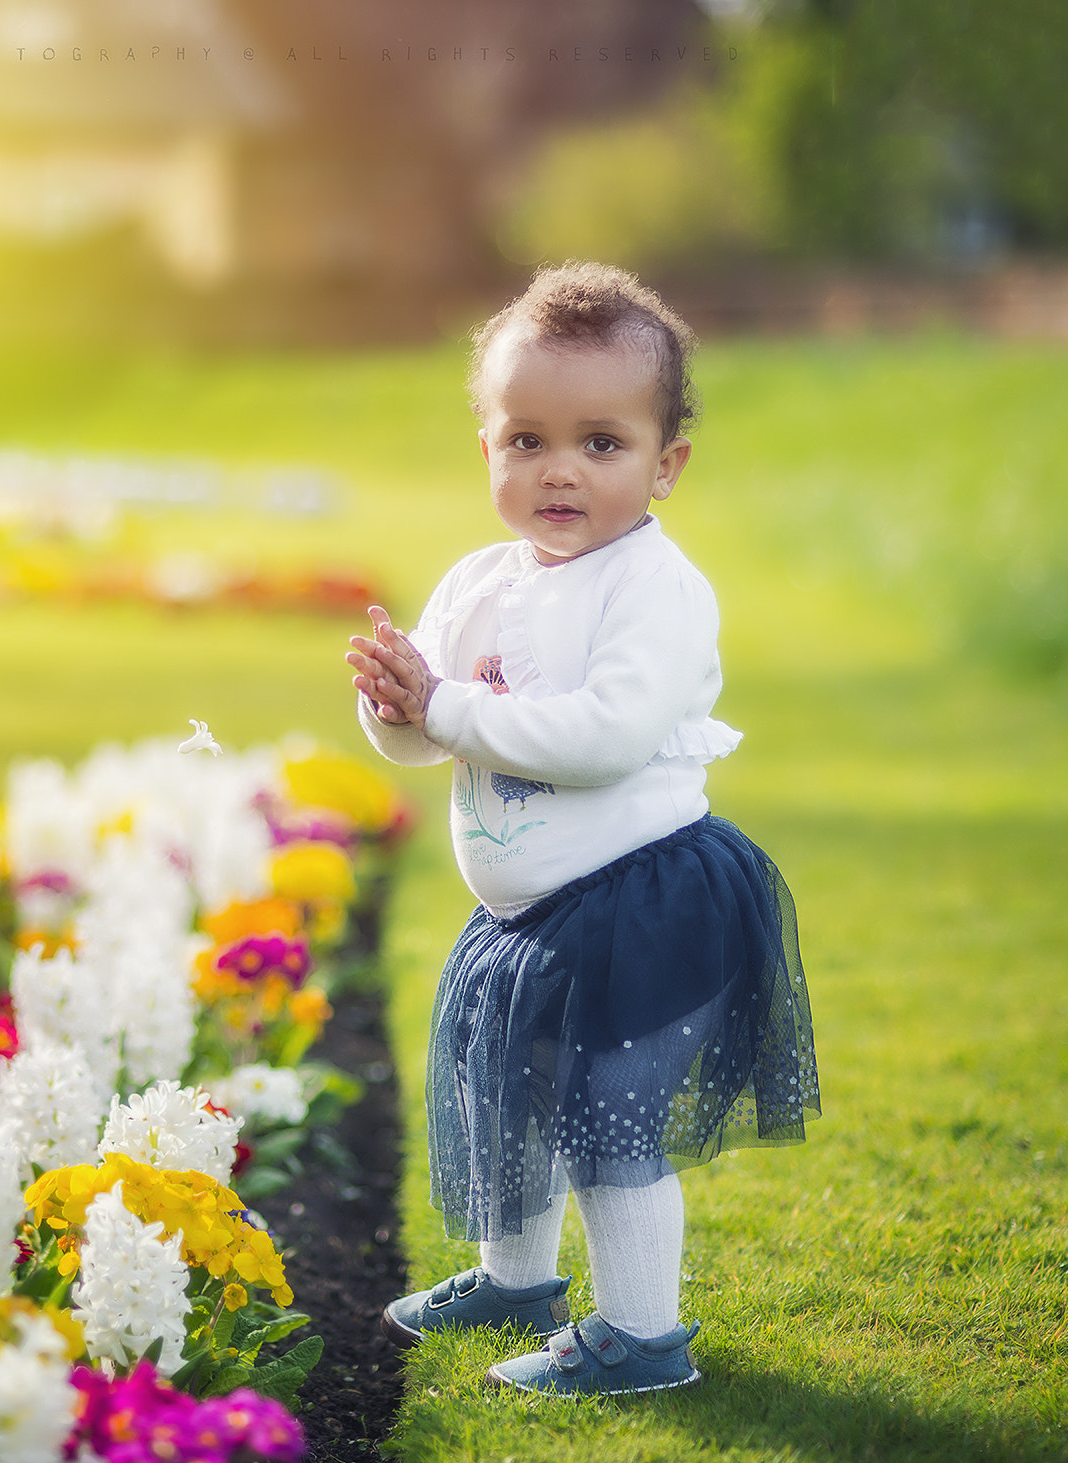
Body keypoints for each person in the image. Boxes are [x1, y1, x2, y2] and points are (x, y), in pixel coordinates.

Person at [345, 261, 818, 1397]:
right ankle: (514, 1274)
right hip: (529, 910)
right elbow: (426, 741)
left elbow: (604, 735)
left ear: (665, 463)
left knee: (605, 1125)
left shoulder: (652, 588)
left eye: (600, 443)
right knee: (505, 1095)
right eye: (526, 440)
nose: (559, 469)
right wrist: (394, 705)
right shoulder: (475, 582)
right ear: (487, 448)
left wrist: (447, 705)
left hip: (640, 900)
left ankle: (642, 1334)